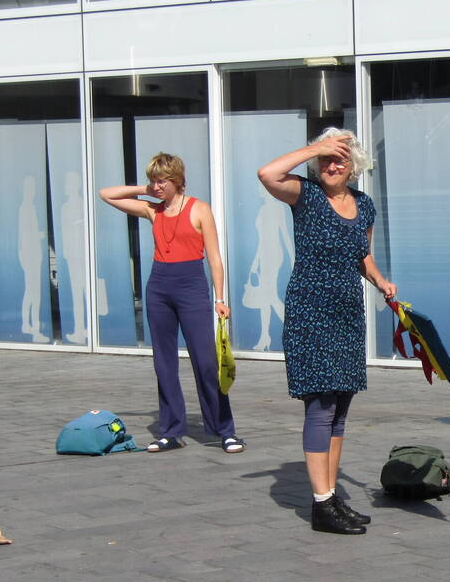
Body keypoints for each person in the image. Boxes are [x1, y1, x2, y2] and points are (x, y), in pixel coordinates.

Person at [257, 128, 396, 536]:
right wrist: (314, 148)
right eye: (325, 160)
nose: (331, 166)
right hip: (310, 312)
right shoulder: (305, 195)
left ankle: (331, 496)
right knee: (320, 406)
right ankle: (320, 504)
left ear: (354, 167)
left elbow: (362, 256)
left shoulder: (365, 205)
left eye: (339, 160)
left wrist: (381, 281)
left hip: (348, 315)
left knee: (339, 410)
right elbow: (267, 173)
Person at [99, 153, 245, 454]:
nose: (157, 186)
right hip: (159, 287)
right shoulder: (153, 211)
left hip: (191, 285)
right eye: (153, 180)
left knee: (205, 362)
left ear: (177, 180)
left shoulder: (199, 208)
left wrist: (220, 298)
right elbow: (106, 195)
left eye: (161, 180)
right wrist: (144, 189)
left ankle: (224, 430)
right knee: (163, 363)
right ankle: (171, 431)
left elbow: (215, 258)